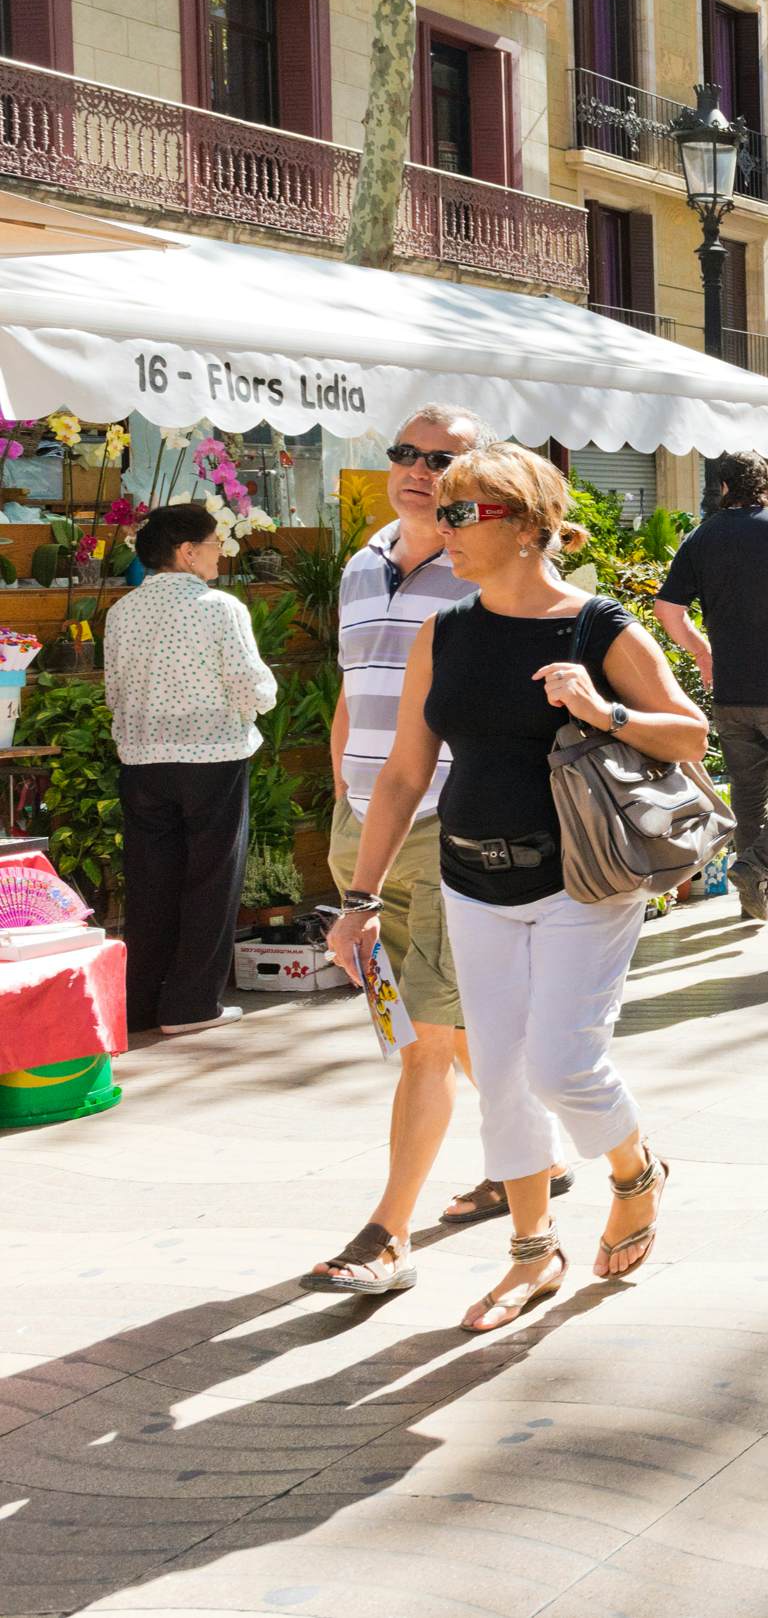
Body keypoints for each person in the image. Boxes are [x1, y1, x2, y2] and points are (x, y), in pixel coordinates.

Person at [327, 442, 704, 1332]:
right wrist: (358, 898)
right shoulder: (447, 630)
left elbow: (686, 736)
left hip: (580, 876)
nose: (444, 526)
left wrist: (601, 708)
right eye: (442, 512)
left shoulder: (597, 628)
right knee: (499, 1073)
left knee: (562, 1065)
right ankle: (533, 1254)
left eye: (464, 512)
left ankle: (634, 1170)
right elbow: (404, 774)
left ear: (530, 527)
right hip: (469, 873)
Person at [308, 408, 572, 1292]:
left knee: (425, 1032)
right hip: (370, 821)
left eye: (443, 460)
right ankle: (537, 1148)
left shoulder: (486, 575)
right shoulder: (361, 564)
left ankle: (389, 1234)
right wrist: (346, 802)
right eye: (407, 455)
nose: (419, 471)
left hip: (455, 822)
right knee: (445, 1022)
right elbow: (353, 690)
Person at [105, 500, 276, 1036]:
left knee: (151, 881)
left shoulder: (121, 611)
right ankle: (191, 1005)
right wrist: (260, 702)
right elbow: (252, 685)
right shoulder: (218, 606)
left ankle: (140, 1003)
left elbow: (113, 691)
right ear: (186, 552)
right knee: (211, 878)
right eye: (213, 546)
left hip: (142, 759)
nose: (220, 557)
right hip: (212, 756)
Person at [656, 453, 768, 925]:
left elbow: (668, 610)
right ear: (763, 484)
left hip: (731, 688)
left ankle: (758, 895)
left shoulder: (702, 536)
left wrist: (703, 652)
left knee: (749, 792)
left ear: (724, 487)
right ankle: (758, 867)